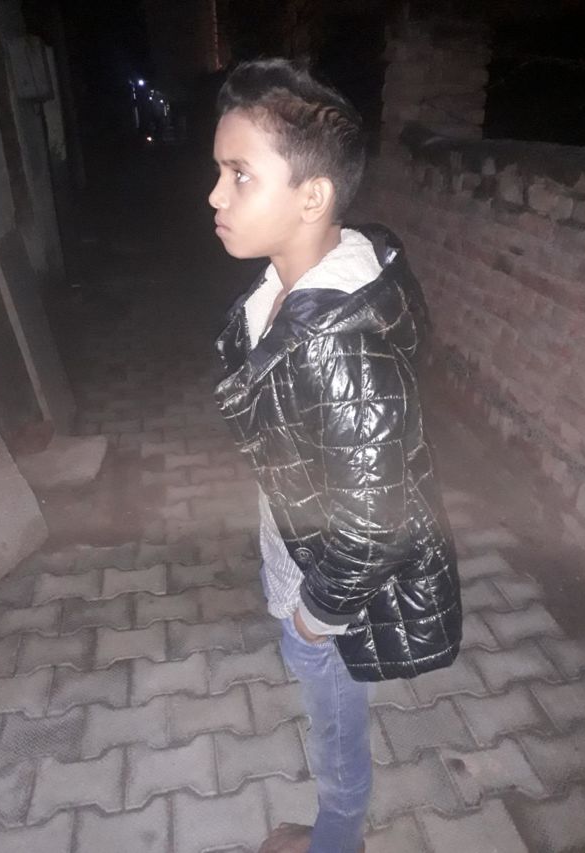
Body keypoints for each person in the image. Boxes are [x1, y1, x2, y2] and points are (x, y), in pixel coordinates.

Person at [211, 58, 462, 853]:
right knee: (329, 722)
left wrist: (313, 619)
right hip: (299, 552)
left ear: (312, 197)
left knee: (337, 737)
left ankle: (336, 838)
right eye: (219, 172)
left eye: (239, 175)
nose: (215, 195)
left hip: (329, 600)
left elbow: (372, 521)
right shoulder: (290, 295)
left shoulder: (339, 346)